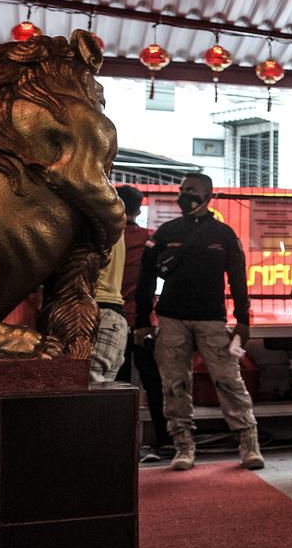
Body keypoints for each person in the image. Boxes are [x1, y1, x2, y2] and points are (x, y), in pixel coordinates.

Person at [134, 173, 264, 471]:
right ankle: (183, 444)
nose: (184, 195)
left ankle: (248, 442)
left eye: (191, 190)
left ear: (208, 195)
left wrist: (243, 320)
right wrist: (142, 320)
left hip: (212, 320)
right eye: (182, 190)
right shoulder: (166, 232)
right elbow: (146, 278)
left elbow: (238, 280)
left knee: (229, 381)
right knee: (174, 384)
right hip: (171, 318)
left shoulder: (223, 234)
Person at [113, 185, 169, 462]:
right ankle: (164, 439)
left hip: (114, 320)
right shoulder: (148, 239)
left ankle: (120, 443)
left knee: (117, 385)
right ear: (138, 209)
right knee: (154, 383)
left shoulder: (107, 239)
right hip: (145, 321)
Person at [88, 216, 129, 382]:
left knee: (86, 386)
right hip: (111, 315)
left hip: (97, 312)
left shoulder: (93, 218)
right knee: (100, 390)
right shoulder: (112, 216)